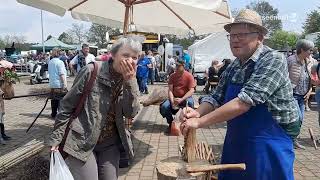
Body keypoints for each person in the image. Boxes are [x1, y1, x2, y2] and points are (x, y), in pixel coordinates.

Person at [179, 9, 300, 180]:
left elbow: (244, 102)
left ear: (259, 37)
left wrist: (199, 122)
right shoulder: (234, 66)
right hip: (236, 140)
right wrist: (197, 111)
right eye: (231, 35)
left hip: (269, 143)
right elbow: (215, 97)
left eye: (242, 34)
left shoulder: (273, 59)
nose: (235, 39)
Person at [47, 37, 141, 180]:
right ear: (113, 55)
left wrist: (130, 82)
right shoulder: (92, 71)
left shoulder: (130, 79)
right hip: (82, 140)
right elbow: (66, 106)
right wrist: (56, 138)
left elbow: (130, 112)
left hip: (110, 143)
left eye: (135, 57)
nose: (130, 61)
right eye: (126, 55)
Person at [287, 39, 314, 149]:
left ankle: (293, 140)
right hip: (293, 94)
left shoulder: (309, 61)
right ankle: (289, 140)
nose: (311, 53)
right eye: (310, 50)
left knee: (301, 119)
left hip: (303, 96)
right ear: (302, 50)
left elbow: (310, 78)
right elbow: (283, 76)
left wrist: (309, 92)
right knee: (296, 118)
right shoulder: (291, 60)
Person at [160, 58, 195, 133]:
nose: (176, 67)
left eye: (179, 66)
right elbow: (170, 90)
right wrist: (172, 101)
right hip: (174, 97)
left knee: (191, 103)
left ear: (183, 66)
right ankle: (171, 123)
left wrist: (182, 99)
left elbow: (192, 90)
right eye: (176, 65)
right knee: (164, 107)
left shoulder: (189, 76)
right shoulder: (172, 76)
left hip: (185, 97)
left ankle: (188, 123)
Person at [48, 48, 68, 118]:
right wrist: (64, 85)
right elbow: (62, 74)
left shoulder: (50, 62)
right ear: (59, 54)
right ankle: (60, 115)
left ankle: (53, 113)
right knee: (60, 101)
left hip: (52, 83)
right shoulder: (60, 62)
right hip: (59, 84)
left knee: (54, 100)